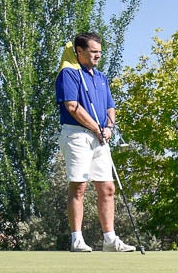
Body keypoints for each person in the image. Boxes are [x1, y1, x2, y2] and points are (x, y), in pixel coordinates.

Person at [55, 32, 135, 253]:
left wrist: (108, 128)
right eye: (93, 52)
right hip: (77, 135)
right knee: (79, 185)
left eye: (100, 52)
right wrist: (95, 128)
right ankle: (77, 239)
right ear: (79, 51)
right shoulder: (69, 74)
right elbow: (72, 106)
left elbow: (110, 107)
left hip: (100, 137)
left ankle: (110, 239)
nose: (98, 56)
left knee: (107, 187)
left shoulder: (100, 77)